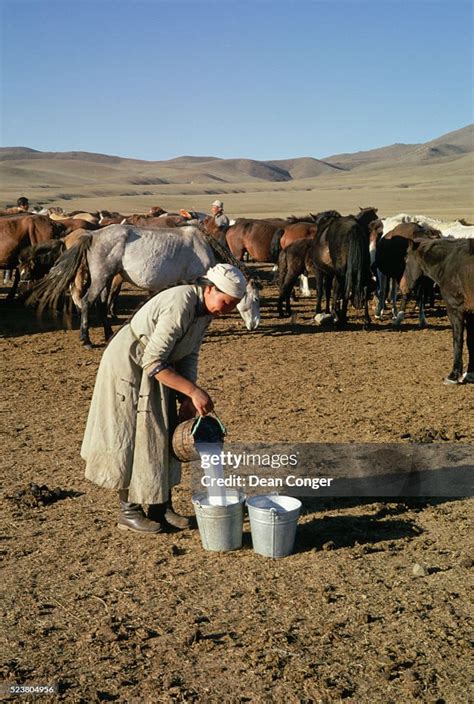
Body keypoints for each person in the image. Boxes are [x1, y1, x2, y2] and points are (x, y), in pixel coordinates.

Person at [81, 263, 247, 535]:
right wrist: (193, 392)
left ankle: (160, 506)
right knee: (132, 434)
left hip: (159, 367)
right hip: (130, 366)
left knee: (163, 431)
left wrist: (186, 396)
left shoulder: (205, 312)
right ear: (209, 289)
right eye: (225, 302)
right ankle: (129, 511)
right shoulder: (181, 303)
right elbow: (152, 360)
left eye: (233, 306)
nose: (226, 310)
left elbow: (189, 354)